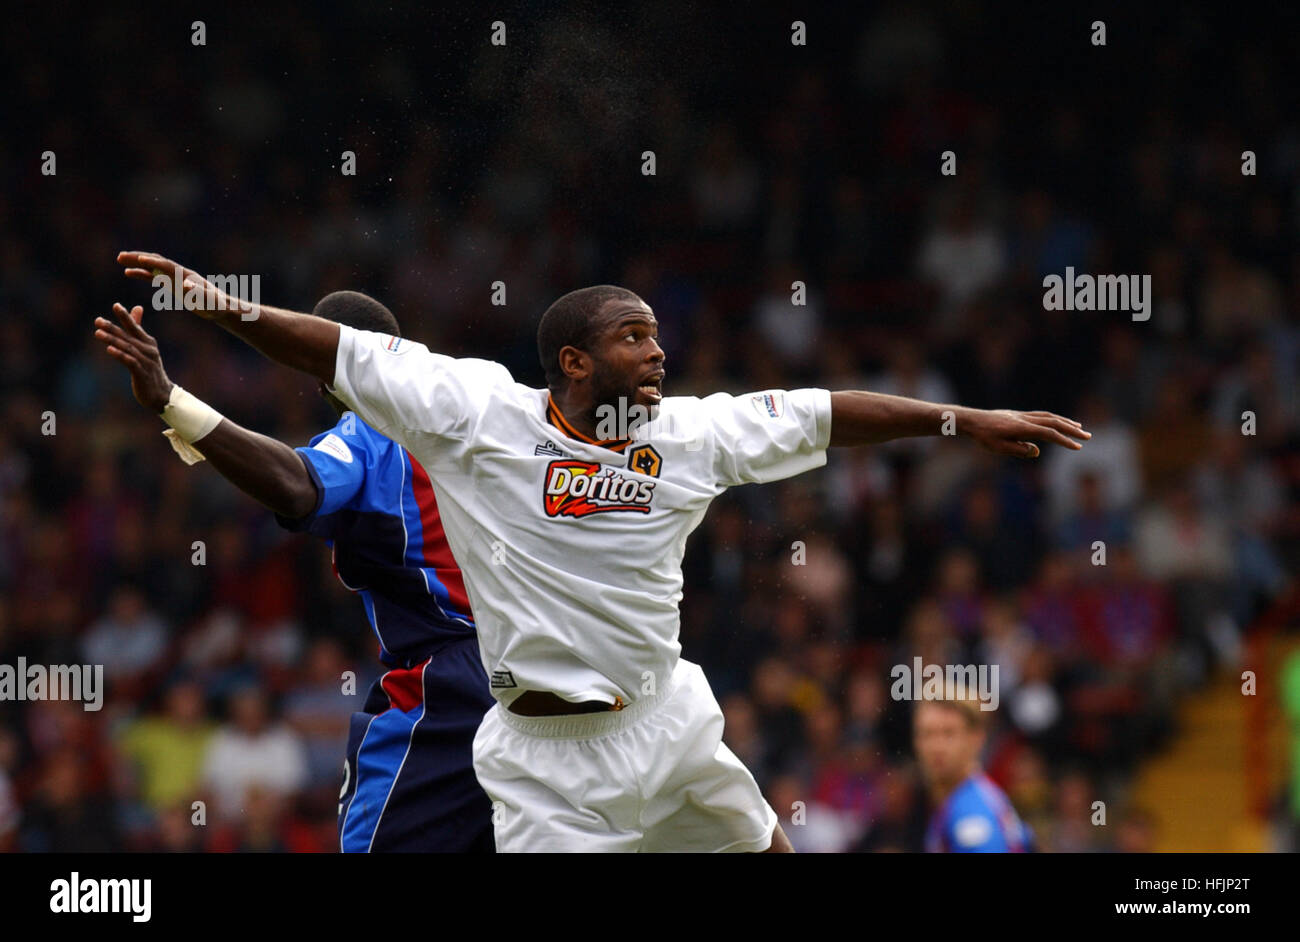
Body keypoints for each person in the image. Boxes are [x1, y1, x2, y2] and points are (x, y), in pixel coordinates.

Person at [110, 251, 1089, 852]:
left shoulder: (692, 434)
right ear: (573, 360)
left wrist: (965, 420)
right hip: (539, 746)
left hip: (653, 712)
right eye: (635, 337)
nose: (660, 353)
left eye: (657, 336)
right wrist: (207, 304)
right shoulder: (472, 416)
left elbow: (831, 414)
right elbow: (329, 356)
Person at [93, 292, 494, 853]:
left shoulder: (373, 433)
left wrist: (171, 400)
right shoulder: (490, 409)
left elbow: (296, 483)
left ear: (325, 366)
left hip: (447, 691)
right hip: (544, 675)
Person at [913, 697, 1034, 852]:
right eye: (927, 734)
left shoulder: (972, 815)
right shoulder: (958, 801)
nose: (937, 746)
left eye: (949, 733)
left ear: (976, 739)